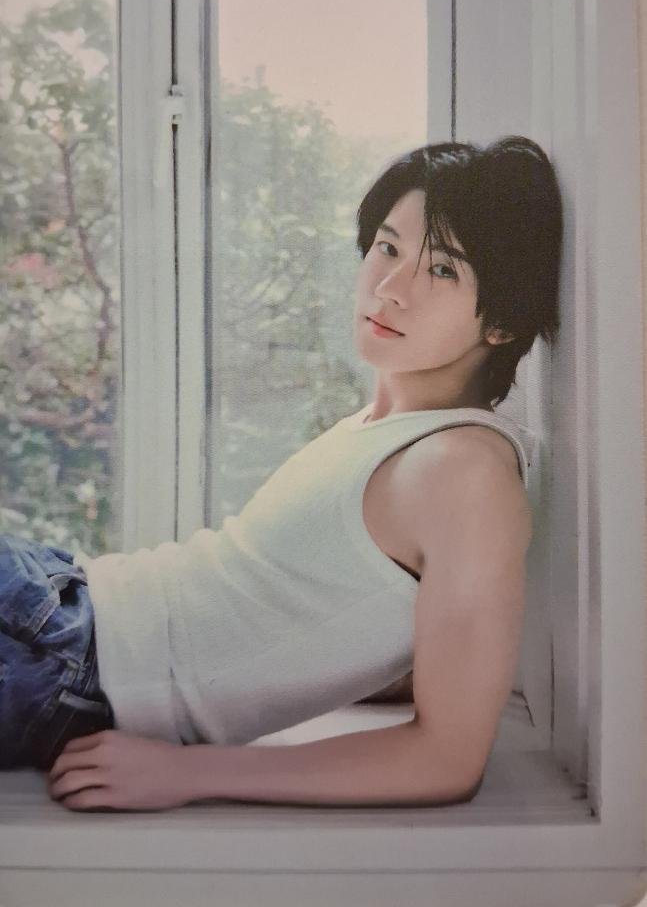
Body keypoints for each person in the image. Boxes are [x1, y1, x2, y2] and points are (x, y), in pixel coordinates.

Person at [0, 135, 563, 812]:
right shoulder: (387, 427)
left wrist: (189, 773)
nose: (388, 289)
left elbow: (447, 758)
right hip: (65, 601)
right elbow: (331, 624)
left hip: (75, 665)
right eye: (387, 248)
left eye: (441, 269)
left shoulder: (467, 473)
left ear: (502, 321)